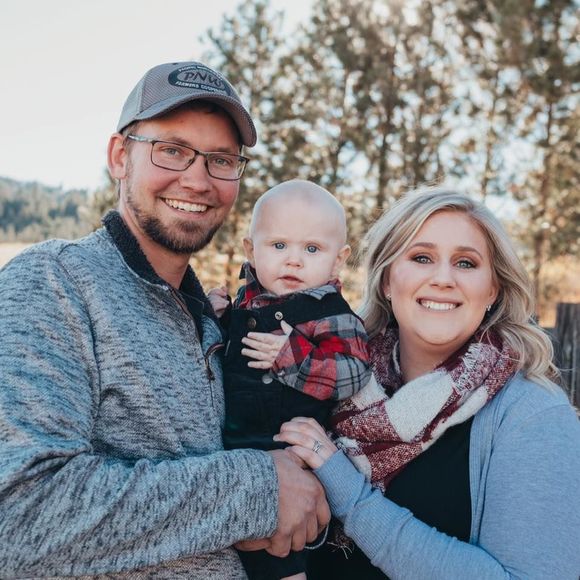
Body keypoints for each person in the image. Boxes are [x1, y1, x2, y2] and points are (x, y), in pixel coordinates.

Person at [0, 61, 330, 578]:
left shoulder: (217, 323)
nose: (197, 180)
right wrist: (260, 489)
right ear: (119, 156)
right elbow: (20, 518)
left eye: (221, 160)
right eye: (172, 150)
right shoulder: (54, 281)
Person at [276, 188, 580, 580]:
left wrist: (348, 491)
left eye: (466, 263)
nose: (443, 279)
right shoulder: (330, 379)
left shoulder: (532, 415)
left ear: (493, 289)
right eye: (422, 258)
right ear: (387, 280)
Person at [208, 180, 371, 580]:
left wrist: (292, 357)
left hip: (292, 456)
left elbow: (353, 370)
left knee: (281, 556)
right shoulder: (244, 301)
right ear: (252, 250)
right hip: (234, 455)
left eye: (312, 249)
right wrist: (215, 319)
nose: (293, 261)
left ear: (338, 260)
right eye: (279, 245)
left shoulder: (331, 314)